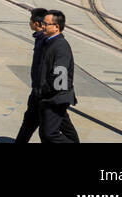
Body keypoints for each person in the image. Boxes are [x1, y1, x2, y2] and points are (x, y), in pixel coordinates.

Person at [35, 10, 79, 142]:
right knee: (54, 131)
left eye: (45, 24)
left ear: (56, 27)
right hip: (49, 96)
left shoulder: (61, 46)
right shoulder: (49, 42)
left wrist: (45, 91)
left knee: (50, 134)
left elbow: (60, 75)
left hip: (55, 97)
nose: (42, 26)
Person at [14, 8, 49, 143]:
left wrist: (41, 88)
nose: (29, 23)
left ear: (38, 24)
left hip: (43, 91)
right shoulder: (40, 38)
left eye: (31, 20)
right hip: (37, 90)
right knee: (29, 121)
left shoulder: (46, 41)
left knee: (51, 128)